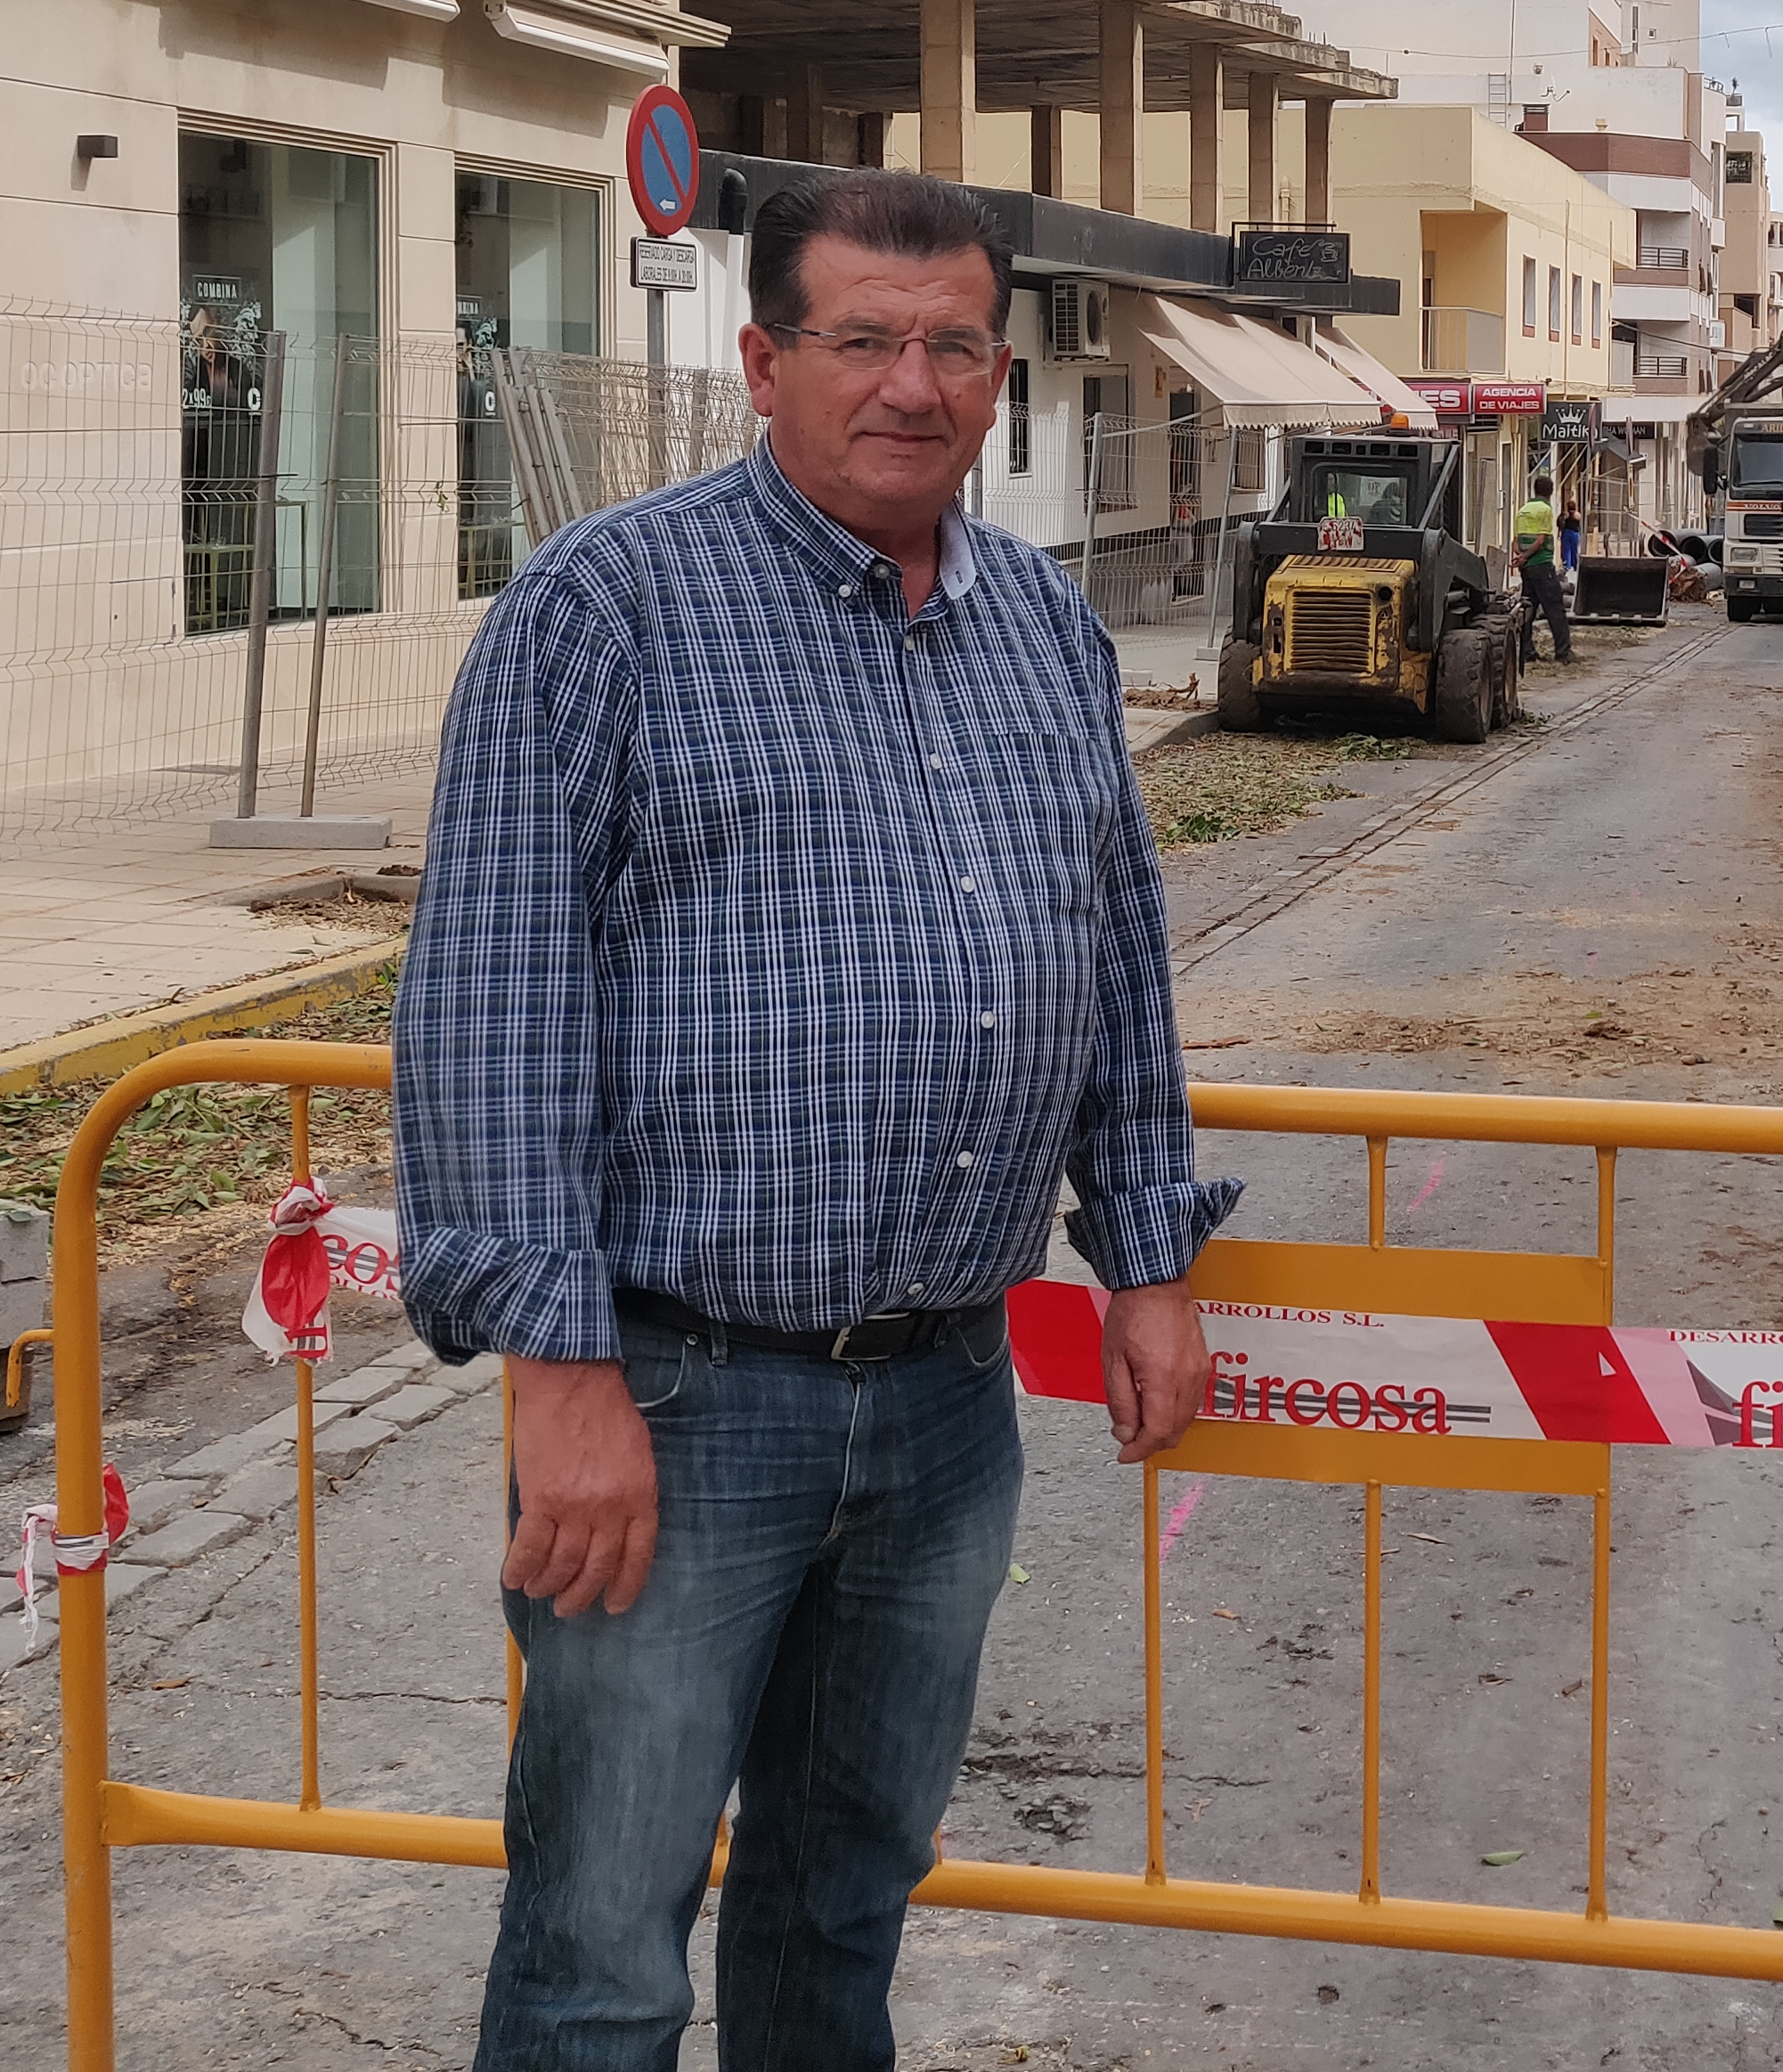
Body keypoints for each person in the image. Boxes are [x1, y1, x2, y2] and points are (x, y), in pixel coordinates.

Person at [395, 167, 1234, 2072]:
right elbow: (493, 1006)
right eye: (861, 339)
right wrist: (558, 1371)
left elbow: (1114, 963)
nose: (910, 384)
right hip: (680, 1400)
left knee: (844, 1902)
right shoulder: (605, 611)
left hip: (943, 1404)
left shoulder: (1047, 632)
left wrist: (1149, 1261)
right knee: (603, 1945)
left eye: (951, 345)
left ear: (1000, 376)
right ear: (765, 360)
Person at [1514, 481, 1574, 662]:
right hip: (1542, 565)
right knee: (1555, 608)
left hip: (1527, 570)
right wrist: (1527, 556)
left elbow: (1515, 541)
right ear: (1551, 492)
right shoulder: (1545, 510)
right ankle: (1563, 653)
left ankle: (1527, 652)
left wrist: (1521, 556)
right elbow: (1541, 540)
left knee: (1527, 612)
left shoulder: (1523, 510)